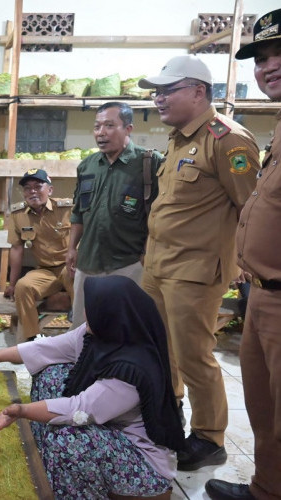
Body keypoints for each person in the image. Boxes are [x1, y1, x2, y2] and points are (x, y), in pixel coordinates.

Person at [137, 55, 260, 471]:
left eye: (166, 91)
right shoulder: (178, 138)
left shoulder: (229, 140)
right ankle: (167, 417)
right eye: (156, 92)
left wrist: (245, 262)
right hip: (158, 265)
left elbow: (251, 209)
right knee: (157, 349)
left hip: (195, 271)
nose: (158, 99)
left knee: (193, 355)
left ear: (198, 91)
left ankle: (209, 438)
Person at [0, 275, 185, 498]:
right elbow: (46, 349)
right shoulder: (97, 334)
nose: (86, 311)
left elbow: (78, 408)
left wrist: (21, 411)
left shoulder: (131, 371)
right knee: (51, 373)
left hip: (142, 464)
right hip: (113, 430)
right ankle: (46, 458)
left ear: (111, 314)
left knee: (68, 441)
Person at [205, 9, 281, 500]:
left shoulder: (230, 140)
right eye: (262, 58)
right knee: (263, 407)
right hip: (261, 294)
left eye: (280, 56)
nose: (268, 67)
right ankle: (266, 489)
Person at [67, 102, 162, 326]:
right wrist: (72, 247)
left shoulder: (149, 162)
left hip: (128, 264)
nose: (101, 133)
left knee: (125, 329)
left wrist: (147, 253)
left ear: (128, 129)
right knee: (82, 329)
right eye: (97, 126)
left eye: (109, 125)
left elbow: (159, 215)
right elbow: (79, 211)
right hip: (88, 262)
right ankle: (86, 363)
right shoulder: (87, 166)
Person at [5, 168, 73, 343]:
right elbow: (16, 249)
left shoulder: (67, 209)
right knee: (23, 286)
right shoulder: (18, 215)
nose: (32, 191)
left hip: (70, 265)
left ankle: (83, 333)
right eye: (27, 188)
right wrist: (11, 284)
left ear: (50, 190)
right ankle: (31, 339)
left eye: (38, 186)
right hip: (45, 271)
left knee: (78, 278)